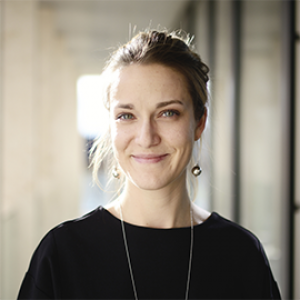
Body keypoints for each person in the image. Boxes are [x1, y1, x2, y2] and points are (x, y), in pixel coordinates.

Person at [17, 29, 281, 300]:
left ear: (199, 122)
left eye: (168, 113)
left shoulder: (241, 253)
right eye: (126, 115)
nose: (146, 137)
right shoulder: (62, 253)